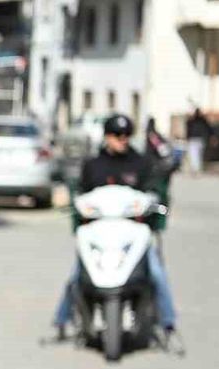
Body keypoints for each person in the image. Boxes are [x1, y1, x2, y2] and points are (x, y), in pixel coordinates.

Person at [53, 113, 178, 335]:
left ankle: (168, 323)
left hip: (133, 231)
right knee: (77, 274)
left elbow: (154, 192)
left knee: (156, 272)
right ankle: (62, 320)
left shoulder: (141, 164)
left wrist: (155, 201)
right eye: (117, 134)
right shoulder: (93, 165)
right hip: (101, 233)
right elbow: (80, 194)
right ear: (107, 136)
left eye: (127, 134)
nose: (122, 139)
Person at [185, 108, 212, 175]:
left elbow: (188, 130)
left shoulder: (192, 121)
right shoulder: (203, 121)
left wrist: (187, 138)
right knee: (198, 155)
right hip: (200, 139)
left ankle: (196, 169)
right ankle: (197, 168)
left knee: (195, 155)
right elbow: (209, 129)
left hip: (194, 139)